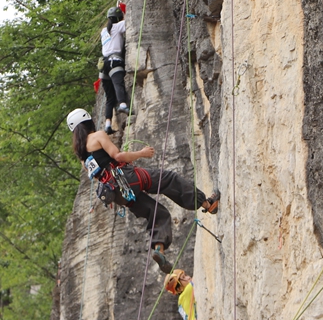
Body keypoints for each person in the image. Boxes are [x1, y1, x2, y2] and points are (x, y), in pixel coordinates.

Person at [67, 109, 220, 273]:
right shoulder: (97, 136)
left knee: (156, 213)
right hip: (127, 178)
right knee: (169, 179)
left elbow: (99, 176)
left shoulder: (83, 158)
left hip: (117, 194)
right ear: (87, 122)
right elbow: (117, 156)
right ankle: (206, 203)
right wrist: (141, 153)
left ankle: (159, 249)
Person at [99, 5, 129, 134]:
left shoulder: (103, 31)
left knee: (110, 97)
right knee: (118, 83)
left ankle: (107, 124)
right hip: (114, 61)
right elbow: (129, 22)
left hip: (103, 65)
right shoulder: (118, 27)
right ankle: (123, 105)